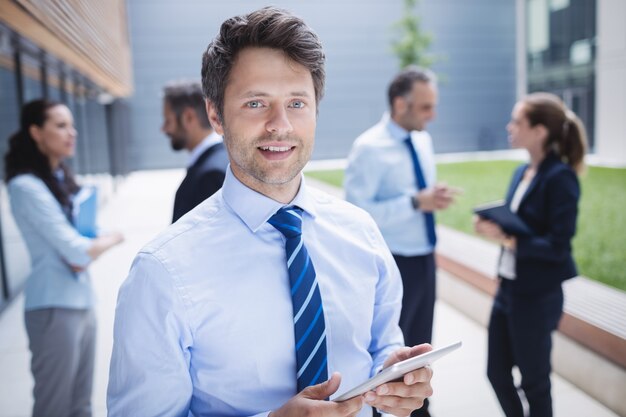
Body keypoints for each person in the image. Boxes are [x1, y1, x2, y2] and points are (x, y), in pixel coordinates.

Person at [107, 7, 434, 417]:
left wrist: (394, 384)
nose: (280, 125)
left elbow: (381, 346)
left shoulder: (361, 233)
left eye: (297, 102)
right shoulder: (162, 273)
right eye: (256, 103)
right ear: (215, 115)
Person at [344, 66, 458, 417]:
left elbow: (418, 194)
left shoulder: (423, 139)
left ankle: (419, 410)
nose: (432, 115)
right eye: (425, 107)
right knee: (390, 355)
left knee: (421, 349)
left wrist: (429, 198)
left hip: (425, 257)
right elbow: (358, 213)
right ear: (399, 104)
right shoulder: (368, 148)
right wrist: (413, 202)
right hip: (393, 263)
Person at [4, 99, 124, 417]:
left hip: (81, 300)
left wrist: (91, 244)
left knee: (81, 405)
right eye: (60, 125)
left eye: (71, 125)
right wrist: (112, 238)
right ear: (36, 132)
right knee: (54, 407)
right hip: (53, 307)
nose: (71, 133)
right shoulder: (25, 187)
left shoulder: (59, 180)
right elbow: (77, 248)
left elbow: (82, 243)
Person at [474, 92, 586, 417]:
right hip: (508, 288)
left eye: (517, 121)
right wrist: (495, 224)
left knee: (535, 383)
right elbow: (522, 226)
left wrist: (509, 240)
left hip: (537, 296)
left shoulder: (560, 177)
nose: (509, 127)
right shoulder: (521, 172)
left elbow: (558, 246)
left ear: (540, 131)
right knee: (496, 373)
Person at [162, 80, 229, 222]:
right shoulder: (219, 160)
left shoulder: (211, 175)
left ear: (189, 117)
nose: (164, 129)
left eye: (168, 121)